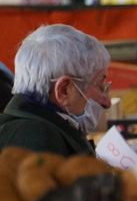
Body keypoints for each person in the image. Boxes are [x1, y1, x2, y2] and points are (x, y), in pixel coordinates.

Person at [0, 25, 112, 156]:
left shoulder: (37, 125)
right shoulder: (37, 137)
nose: (107, 102)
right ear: (64, 90)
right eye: (99, 83)